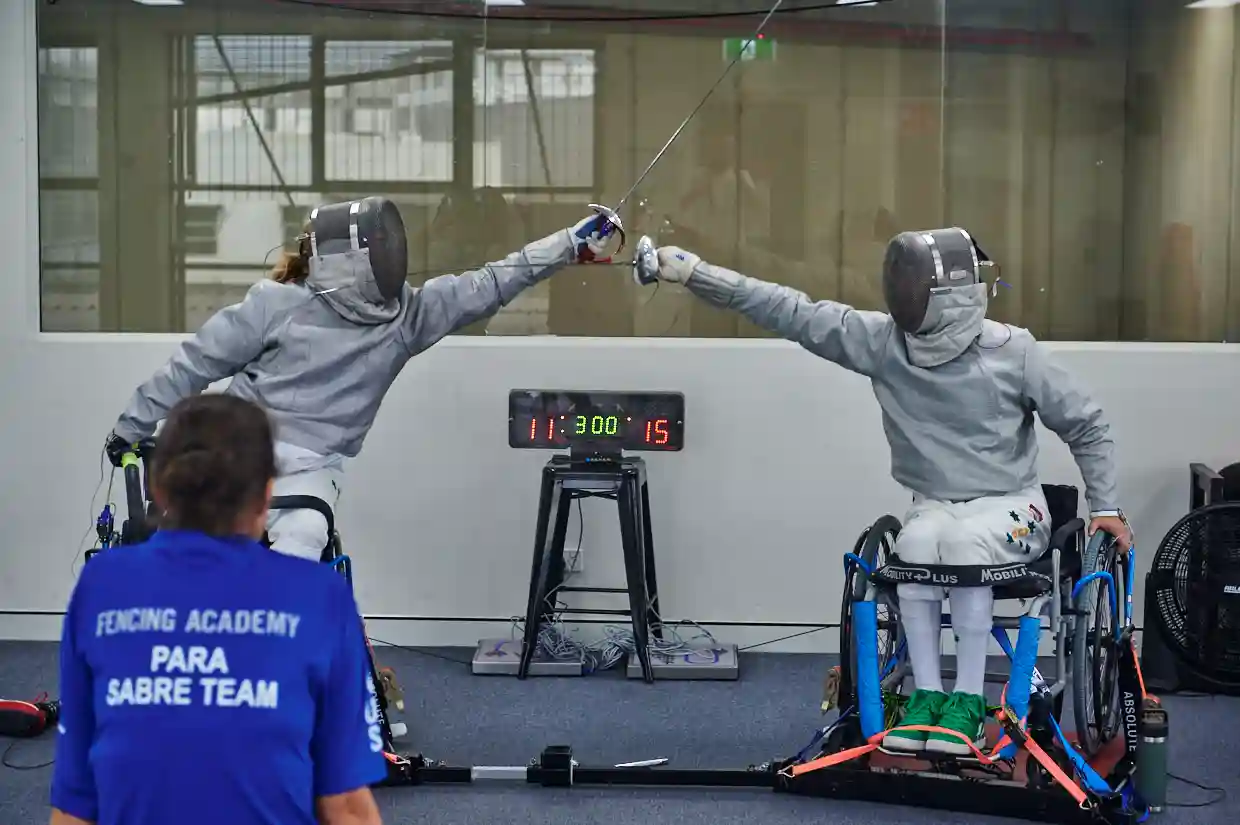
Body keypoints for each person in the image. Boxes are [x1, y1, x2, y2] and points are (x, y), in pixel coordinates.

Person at [101, 198, 616, 728]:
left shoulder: (407, 316)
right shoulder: (275, 305)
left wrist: (568, 244)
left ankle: (273, 704)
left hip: (310, 472)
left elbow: (493, 281)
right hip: (234, 454)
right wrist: (132, 427)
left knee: (299, 553)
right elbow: (194, 363)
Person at [638, 228, 1133, 755]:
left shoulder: (1015, 351)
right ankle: (928, 696)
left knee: (963, 545)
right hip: (934, 505)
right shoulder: (881, 341)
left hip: (1014, 506)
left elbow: (1086, 423)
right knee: (914, 547)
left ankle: (967, 701)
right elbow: (789, 311)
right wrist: (696, 273)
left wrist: (1104, 506)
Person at [51, 394, 386, 825]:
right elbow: (345, 807)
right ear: (266, 494)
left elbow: (76, 801)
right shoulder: (318, 595)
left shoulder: (102, 584)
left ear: (159, 489)